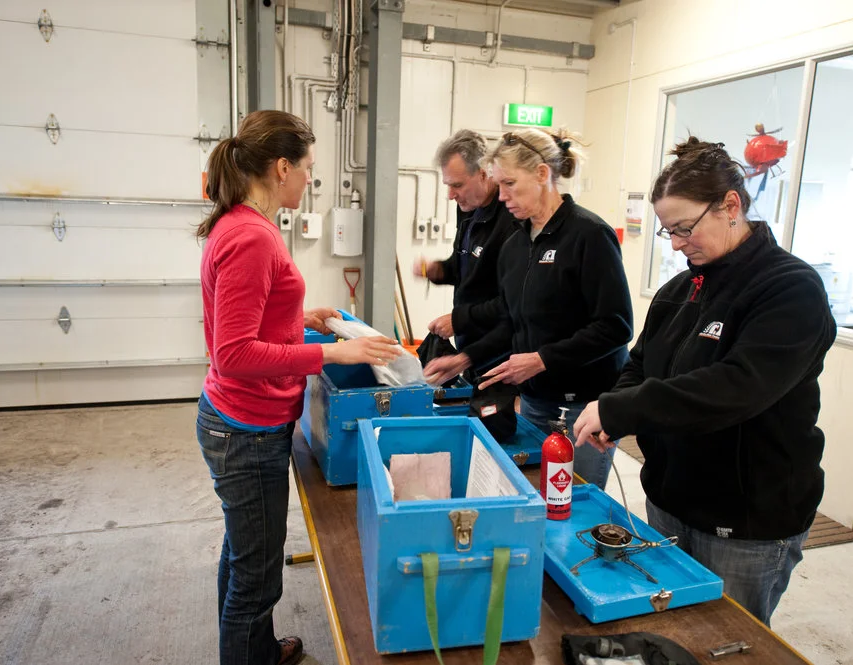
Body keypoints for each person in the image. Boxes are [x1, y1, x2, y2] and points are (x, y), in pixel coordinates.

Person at [572, 137, 837, 626]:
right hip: (671, 499)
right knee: (670, 629)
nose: (675, 244)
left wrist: (624, 410)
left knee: (723, 640)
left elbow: (737, 386)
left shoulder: (789, 288)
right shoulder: (681, 288)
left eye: (684, 228)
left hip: (746, 518)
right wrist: (615, 402)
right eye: (667, 232)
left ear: (730, 206)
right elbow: (642, 362)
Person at [196, 110, 400, 665]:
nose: (311, 179)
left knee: (245, 554)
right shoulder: (251, 238)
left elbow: (247, 321)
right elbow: (233, 353)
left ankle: (257, 650)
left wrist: (301, 318)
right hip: (246, 428)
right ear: (281, 167)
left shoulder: (244, 225)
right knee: (257, 580)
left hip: (242, 420)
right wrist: (332, 351)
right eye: (307, 168)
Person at [424, 128, 633, 488]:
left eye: (509, 184)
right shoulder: (516, 244)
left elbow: (616, 327)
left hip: (585, 404)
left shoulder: (588, 235)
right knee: (532, 494)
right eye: (498, 184)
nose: (501, 196)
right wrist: (466, 357)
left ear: (541, 174)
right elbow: (511, 318)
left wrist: (542, 359)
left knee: (574, 501)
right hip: (536, 400)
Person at [413, 129, 520, 351]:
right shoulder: (469, 208)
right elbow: (465, 267)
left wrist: (459, 320)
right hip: (472, 344)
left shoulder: (512, 220)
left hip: (503, 351)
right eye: (448, 185)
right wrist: (439, 270)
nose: (450, 195)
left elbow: (513, 302)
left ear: (484, 174)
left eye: (457, 185)